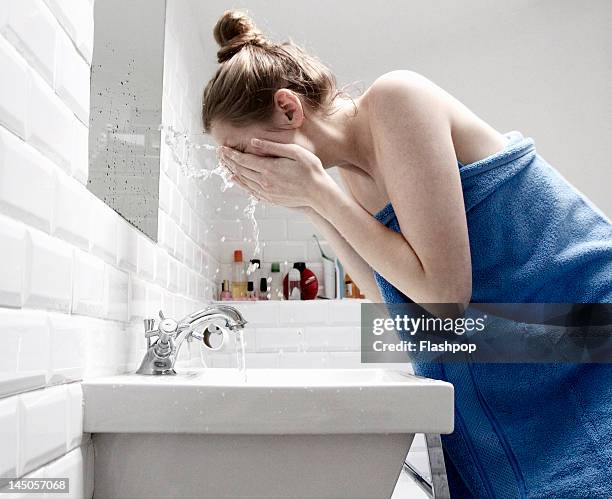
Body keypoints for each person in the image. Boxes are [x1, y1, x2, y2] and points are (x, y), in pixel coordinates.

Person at [203, 10, 612, 498]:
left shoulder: (398, 100)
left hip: (587, 330)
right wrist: (310, 205)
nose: (242, 170)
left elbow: (444, 294)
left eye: (242, 151)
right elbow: (397, 302)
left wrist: (320, 195)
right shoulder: (352, 178)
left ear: (289, 110)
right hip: (533, 346)